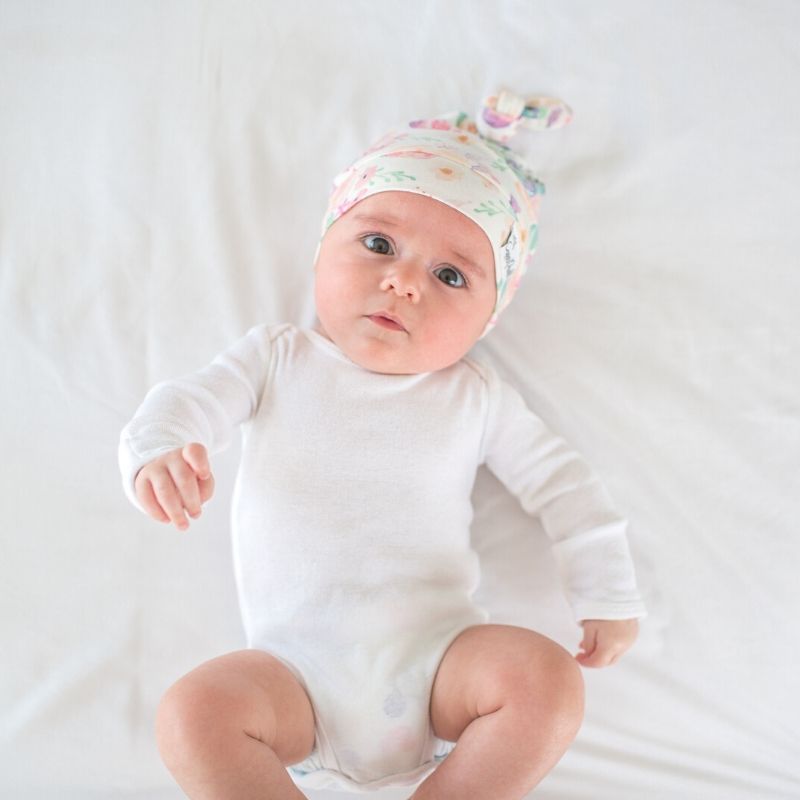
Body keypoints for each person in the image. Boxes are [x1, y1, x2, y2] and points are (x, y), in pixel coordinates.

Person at [119, 91, 646, 800]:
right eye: (378, 244)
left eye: (450, 275)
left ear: (486, 320)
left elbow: (564, 486)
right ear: (322, 250)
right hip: (292, 677)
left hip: (440, 667)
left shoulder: (474, 397)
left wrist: (607, 590)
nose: (402, 282)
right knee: (192, 715)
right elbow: (186, 400)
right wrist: (159, 450)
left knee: (546, 683)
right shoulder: (276, 359)